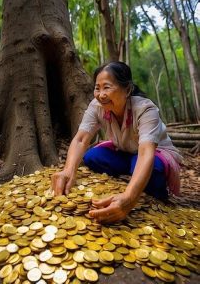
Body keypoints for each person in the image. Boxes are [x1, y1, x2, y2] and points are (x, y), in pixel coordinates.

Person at [51, 62, 182, 223]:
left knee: (148, 169)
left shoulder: (146, 109)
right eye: (97, 88)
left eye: (107, 87)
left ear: (127, 90)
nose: (101, 94)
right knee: (92, 157)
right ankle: (131, 177)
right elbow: (80, 139)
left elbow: (146, 152)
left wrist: (129, 198)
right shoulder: (96, 106)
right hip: (123, 151)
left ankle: (157, 193)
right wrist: (68, 170)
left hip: (153, 155)